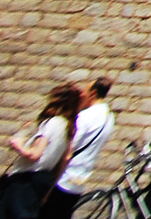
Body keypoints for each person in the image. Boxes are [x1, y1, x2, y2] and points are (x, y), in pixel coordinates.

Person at [0, 84, 80, 219]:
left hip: (25, 181)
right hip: (42, 180)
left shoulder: (51, 123)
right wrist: (49, 191)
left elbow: (34, 154)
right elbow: (65, 161)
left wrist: (18, 144)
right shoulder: (68, 128)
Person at [42, 77, 114, 219]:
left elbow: (69, 149)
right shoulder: (109, 117)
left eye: (85, 91)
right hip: (79, 180)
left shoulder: (85, 116)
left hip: (63, 178)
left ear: (93, 93)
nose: (82, 95)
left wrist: (49, 187)